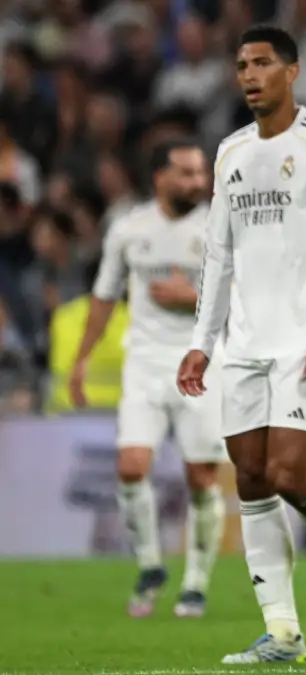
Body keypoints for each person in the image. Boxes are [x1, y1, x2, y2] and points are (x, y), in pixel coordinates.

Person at [176, 25, 306, 663]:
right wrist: (201, 342)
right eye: (241, 64)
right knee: (250, 480)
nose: (249, 74)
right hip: (243, 343)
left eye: (263, 63)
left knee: (292, 476)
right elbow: (218, 252)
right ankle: (283, 632)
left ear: (292, 72)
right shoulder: (231, 151)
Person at [71, 138, 224, 618]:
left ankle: (196, 582)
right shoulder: (128, 229)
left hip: (202, 363)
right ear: (159, 176)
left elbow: (246, 298)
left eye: (201, 173)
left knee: (201, 478)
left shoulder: (221, 228)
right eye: (187, 173)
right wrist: (81, 359)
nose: (198, 182)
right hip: (144, 363)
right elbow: (104, 295)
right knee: (131, 467)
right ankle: (151, 565)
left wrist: (192, 298)